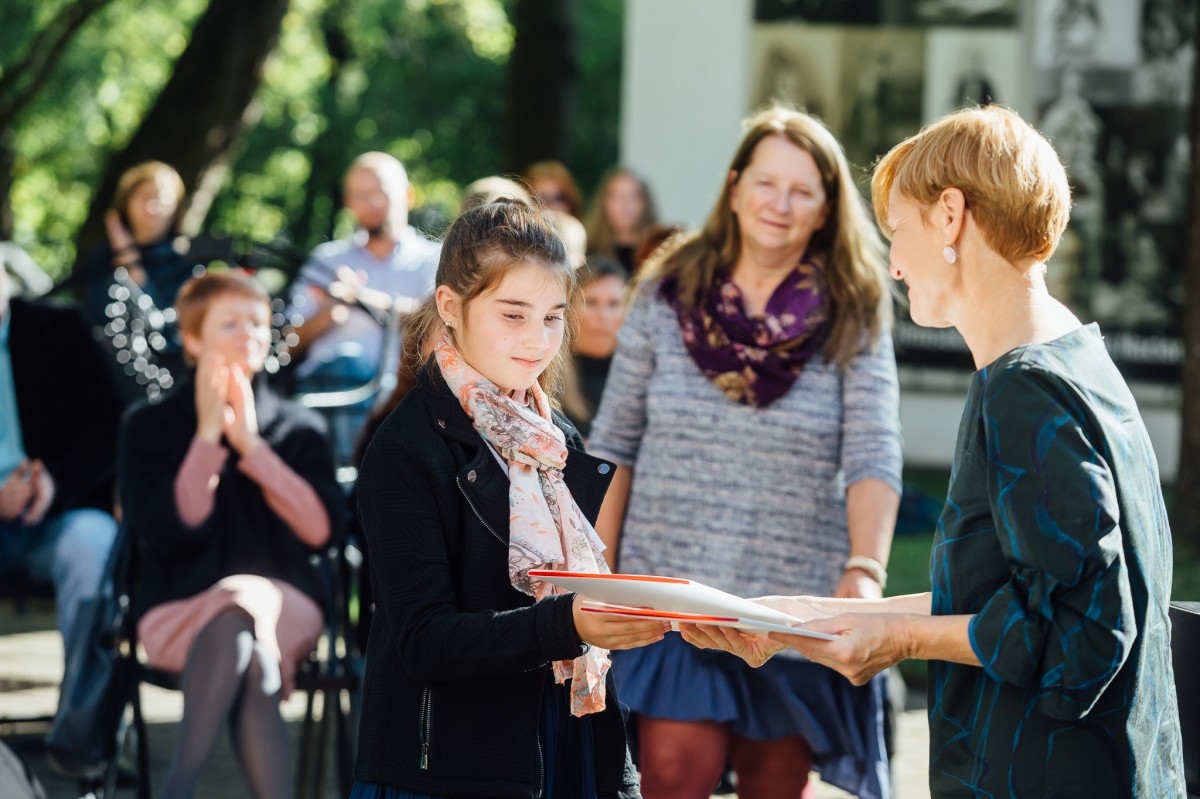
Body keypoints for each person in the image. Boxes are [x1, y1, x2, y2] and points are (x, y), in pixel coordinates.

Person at [681, 106, 1186, 798]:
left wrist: (903, 641)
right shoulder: (1072, 357)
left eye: (897, 229)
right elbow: (1008, 597)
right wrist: (803, 618)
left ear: (950, 215)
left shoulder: (1026, 386)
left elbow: (1084, 635)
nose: (892, 262)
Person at [588, 106, 902, 799]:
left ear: (825, 209)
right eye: (765, 183)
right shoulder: (667, 288)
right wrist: (599, 568)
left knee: (775, 782)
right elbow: (615, 438)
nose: (779, 205)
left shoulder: (855, 304)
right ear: (734, 189)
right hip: (670, 592)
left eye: (802, 191)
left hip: (790, 603)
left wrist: (865, 567)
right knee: (671, 771)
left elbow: (874, 449)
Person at [352, 199, 667, 799]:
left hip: (561, 736)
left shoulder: (555, 437)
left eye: (552, 317)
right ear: (451, 307)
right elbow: (424, 640)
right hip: (448, 767)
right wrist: (566, 623)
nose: (537, 341)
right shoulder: (405, 447)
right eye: (513, 314)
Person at [119, 270, 344, 798]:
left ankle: (177, 788)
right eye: (230, 323)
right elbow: (171, 531)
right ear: (193, 340)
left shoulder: (298, 427)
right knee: (245, 636)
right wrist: (206, 437)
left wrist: (252, 448)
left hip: (286, 602)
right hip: (178, 604)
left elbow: (321, 533)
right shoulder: (147, 427)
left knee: (243, 604)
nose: (249, 334)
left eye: (258, 323)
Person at [0, 263, 122, 715]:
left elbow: (111, 432)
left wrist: (54, 483)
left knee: (93, 547)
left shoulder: (59, 329)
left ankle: (85, 732)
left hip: (61, 513)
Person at [287, 151, 441, 461]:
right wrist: (330, 312)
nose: (371, 202)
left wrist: (362, 297)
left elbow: (438, 324)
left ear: (407, 195)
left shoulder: (435, 260)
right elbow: (287, 342)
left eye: (380, 192)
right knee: (345, 363)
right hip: (321, 391)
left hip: (397, 396)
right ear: (347, 202)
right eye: (360, 194)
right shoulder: (326, 260)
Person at [79, 161, 222, 399]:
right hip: (100, 375)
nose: (154, 206)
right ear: (127, 202)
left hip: (159, 384)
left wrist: (131, 265)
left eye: (163, 199)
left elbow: (168, 333)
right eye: (145, 196)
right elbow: (95, 318)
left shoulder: (187, 263)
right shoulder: (102, 259)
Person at [561, 256, 629, 439]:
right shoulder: (545, 376)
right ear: (568, 309)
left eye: (614, 304)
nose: (603, 316)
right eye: (590, 302)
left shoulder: (640, 376)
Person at [583, 168, 658, 274]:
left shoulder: (658, 251)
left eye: (633, 196)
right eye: (616, 196)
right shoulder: (588, 251)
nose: (625, 203)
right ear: (604, 203)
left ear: (645, 203)